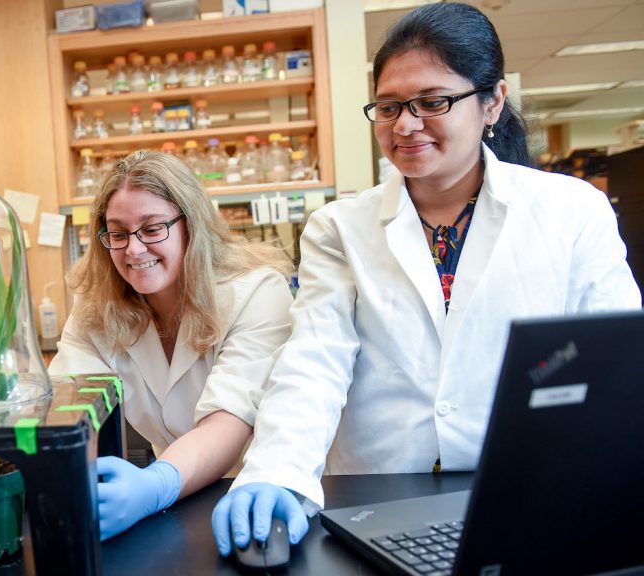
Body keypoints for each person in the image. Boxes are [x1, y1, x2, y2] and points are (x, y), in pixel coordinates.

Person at [211, 2, 641, 555]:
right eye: (389, 107)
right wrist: (275, 469)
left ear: (493, 102)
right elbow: (315, 358)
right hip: (377, 496)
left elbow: (616, 363)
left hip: (523, 491)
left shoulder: (571, 210)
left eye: (432, 102)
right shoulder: (339, 227)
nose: (405, 125)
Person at [48, 150, 294, 539]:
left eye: (152, 228)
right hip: (174, 503)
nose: (133, 249)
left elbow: (230, 418)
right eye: (118, 233)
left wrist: (153, 485)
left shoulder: (256, 292)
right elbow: (67, 409)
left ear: (190, 226)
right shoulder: (95, 312)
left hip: (256, 493)